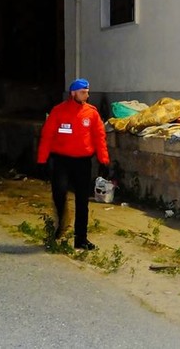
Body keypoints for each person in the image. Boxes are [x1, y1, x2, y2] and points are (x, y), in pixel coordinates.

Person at [37, 78, 110, 250]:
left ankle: (81, 238)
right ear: (73, 93)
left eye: (87, 92)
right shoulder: (58, 111)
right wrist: (41, 159)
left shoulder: (91, 113)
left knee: (82, 201)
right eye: (83, 92)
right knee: (59, 192)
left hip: (83, 162)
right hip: (62, 160)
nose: (87, 95)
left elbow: (99, 137)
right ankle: (62, 221)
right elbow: (47, 136)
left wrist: (103, 159)